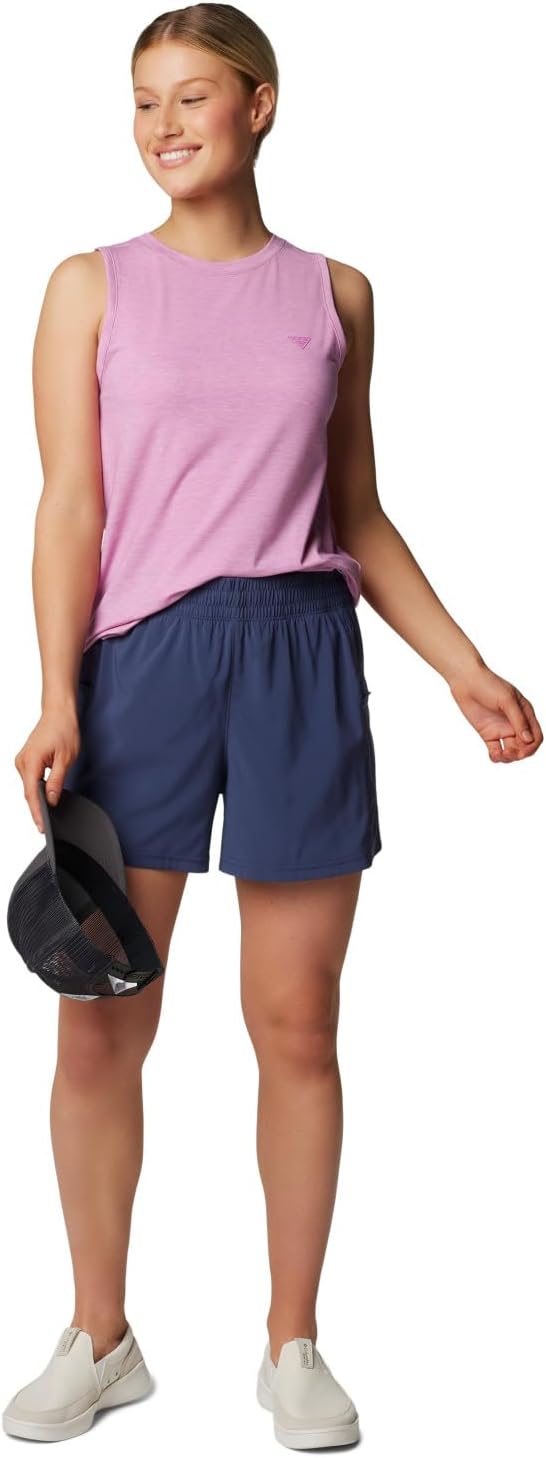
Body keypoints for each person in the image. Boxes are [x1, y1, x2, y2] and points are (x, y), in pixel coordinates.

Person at [4, 2, 542, 1448]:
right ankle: (100, 1334)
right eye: (142, 101)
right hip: (145, 667)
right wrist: (54, 690)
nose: (163, 125)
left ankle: (291, 1341)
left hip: (302, 656)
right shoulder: (89, 286)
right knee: (102, 1016)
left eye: (192, 96)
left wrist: (462, 667)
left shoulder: (335, 294)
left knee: (298, 1022)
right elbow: (70, 505)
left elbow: (354, 510)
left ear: (260, 106)